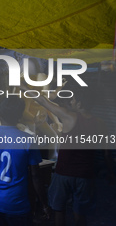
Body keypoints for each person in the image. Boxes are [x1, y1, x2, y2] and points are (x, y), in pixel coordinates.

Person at [20, 82, 115, 226]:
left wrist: (24, 88)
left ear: (80, 103)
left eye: (74, 99)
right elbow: (107, 154)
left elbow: (43, 101)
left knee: (59, 211)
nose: (71, 101)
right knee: (80, 214)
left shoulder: (69, 116)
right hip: (85, 175)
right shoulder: (100, 123)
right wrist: (112, 173)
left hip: (64, 173)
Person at [0, 96, 50, 226]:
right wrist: (44, 203)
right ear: (19, 116)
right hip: (18, 204)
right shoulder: (28, 140)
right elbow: (36, 177)